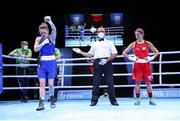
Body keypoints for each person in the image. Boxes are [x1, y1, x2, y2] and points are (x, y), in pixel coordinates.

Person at [73, 27, 119, 106]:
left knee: (110, 82)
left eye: (102, 31)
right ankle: (94, 100)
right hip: (97, 63)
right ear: (97, 33)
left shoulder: (110, 42)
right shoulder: (94, 44)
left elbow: (115, 53)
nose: (101, 32)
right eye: (99, 31)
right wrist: (80, 52)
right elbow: (90, 54)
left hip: (107, 62)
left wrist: (106, 60)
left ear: (105, 33)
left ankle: (113, 100)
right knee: (96, 83)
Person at [122, 28, 159, 105]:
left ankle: (151, 99)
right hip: (137, 65)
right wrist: (132, 58)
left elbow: (156, 52)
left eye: (138, 35)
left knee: (148, 82)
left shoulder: (148, 43)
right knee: (137, 83)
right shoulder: (133, 44)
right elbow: (124, 53)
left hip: (146, 65)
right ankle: (138, 99)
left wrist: (150, 58)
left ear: (142, 34)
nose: (136, 36)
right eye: (135, 35)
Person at [34, 16, 57, 111]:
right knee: (42, 83)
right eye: (41, 32)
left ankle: (52, 98)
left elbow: (54, 29)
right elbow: (35, 49)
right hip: (42, 63)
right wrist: (43, 43)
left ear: (47, 31)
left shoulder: (52, 37)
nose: (43, 34)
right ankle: (41, 103)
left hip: (51, 63)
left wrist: (50, 21)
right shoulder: (38, 39)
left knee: (51, 84)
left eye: (44, 32)